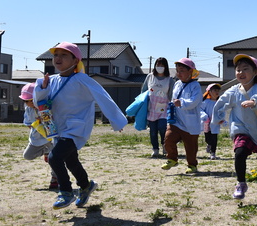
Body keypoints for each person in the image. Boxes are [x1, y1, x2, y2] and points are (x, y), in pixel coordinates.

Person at [34, 42, 128, 209]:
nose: (58, 58)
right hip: (57, 128)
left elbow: (103, 97)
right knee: (71, 161)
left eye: (64, 55)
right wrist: (42, 88)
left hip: (76, 128)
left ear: (75, 60)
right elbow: (38, 102)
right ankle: (86, 186)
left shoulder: (82, 79)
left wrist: (116, 120)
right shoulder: (50, 80)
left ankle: (66, 191)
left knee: (54, 158)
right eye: (56, 55)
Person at [212, 55, 257, 199]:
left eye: (245, 69)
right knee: (240, 153)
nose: (240, 73)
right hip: (240, 129)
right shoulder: (233, 90)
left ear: (255, 72)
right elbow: (220, 103)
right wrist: (218, 118)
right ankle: (241, 183)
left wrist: (255, 102)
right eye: (238, 70)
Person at [161, 58, 203, 174]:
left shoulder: (195, 86)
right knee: (168, 139)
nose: (178, 73)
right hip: (176, 120)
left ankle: (192, 165)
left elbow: (195, 101)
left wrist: (182, 103)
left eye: (182, 70)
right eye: (177, 70)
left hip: (190, 122)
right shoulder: (177, 84)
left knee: (191, 147)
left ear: (191, 72)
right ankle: (172, 159)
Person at [20, 82, 58, 190]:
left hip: (51, 137)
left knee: (54, 159)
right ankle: (45, 152)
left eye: (31, 100)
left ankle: (55, 179)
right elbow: (28, 124)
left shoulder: (46, 105)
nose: (29, 103)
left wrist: (45, 118)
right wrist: (36, 124)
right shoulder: (28, 109)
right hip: (37, 137)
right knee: (27, 155)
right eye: (26, 101)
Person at [140, 57, 174, 158]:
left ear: (166, 67)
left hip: (164, 108)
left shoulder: (169, 79)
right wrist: (142, 103)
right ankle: (155, 149)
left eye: (162, 65)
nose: (160, 67)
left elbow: (172, 94)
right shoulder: (150, 77)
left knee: (162, 127)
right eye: (158, 65)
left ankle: (165, 146)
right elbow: (144, 90)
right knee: (153, 131)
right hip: (151, 107)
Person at [200, 83, 222, 160]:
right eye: (215, 90)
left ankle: (213, 153)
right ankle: (209, 144)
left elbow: (222, 111)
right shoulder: (206, 102)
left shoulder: (219, 102)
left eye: (218, 90)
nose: (217, 92)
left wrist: (221, 119)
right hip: (206, 123)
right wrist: (204, 116)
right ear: (209, 92)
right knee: (207, 138)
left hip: (215, 123)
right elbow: (200, 110)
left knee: (214, 138)